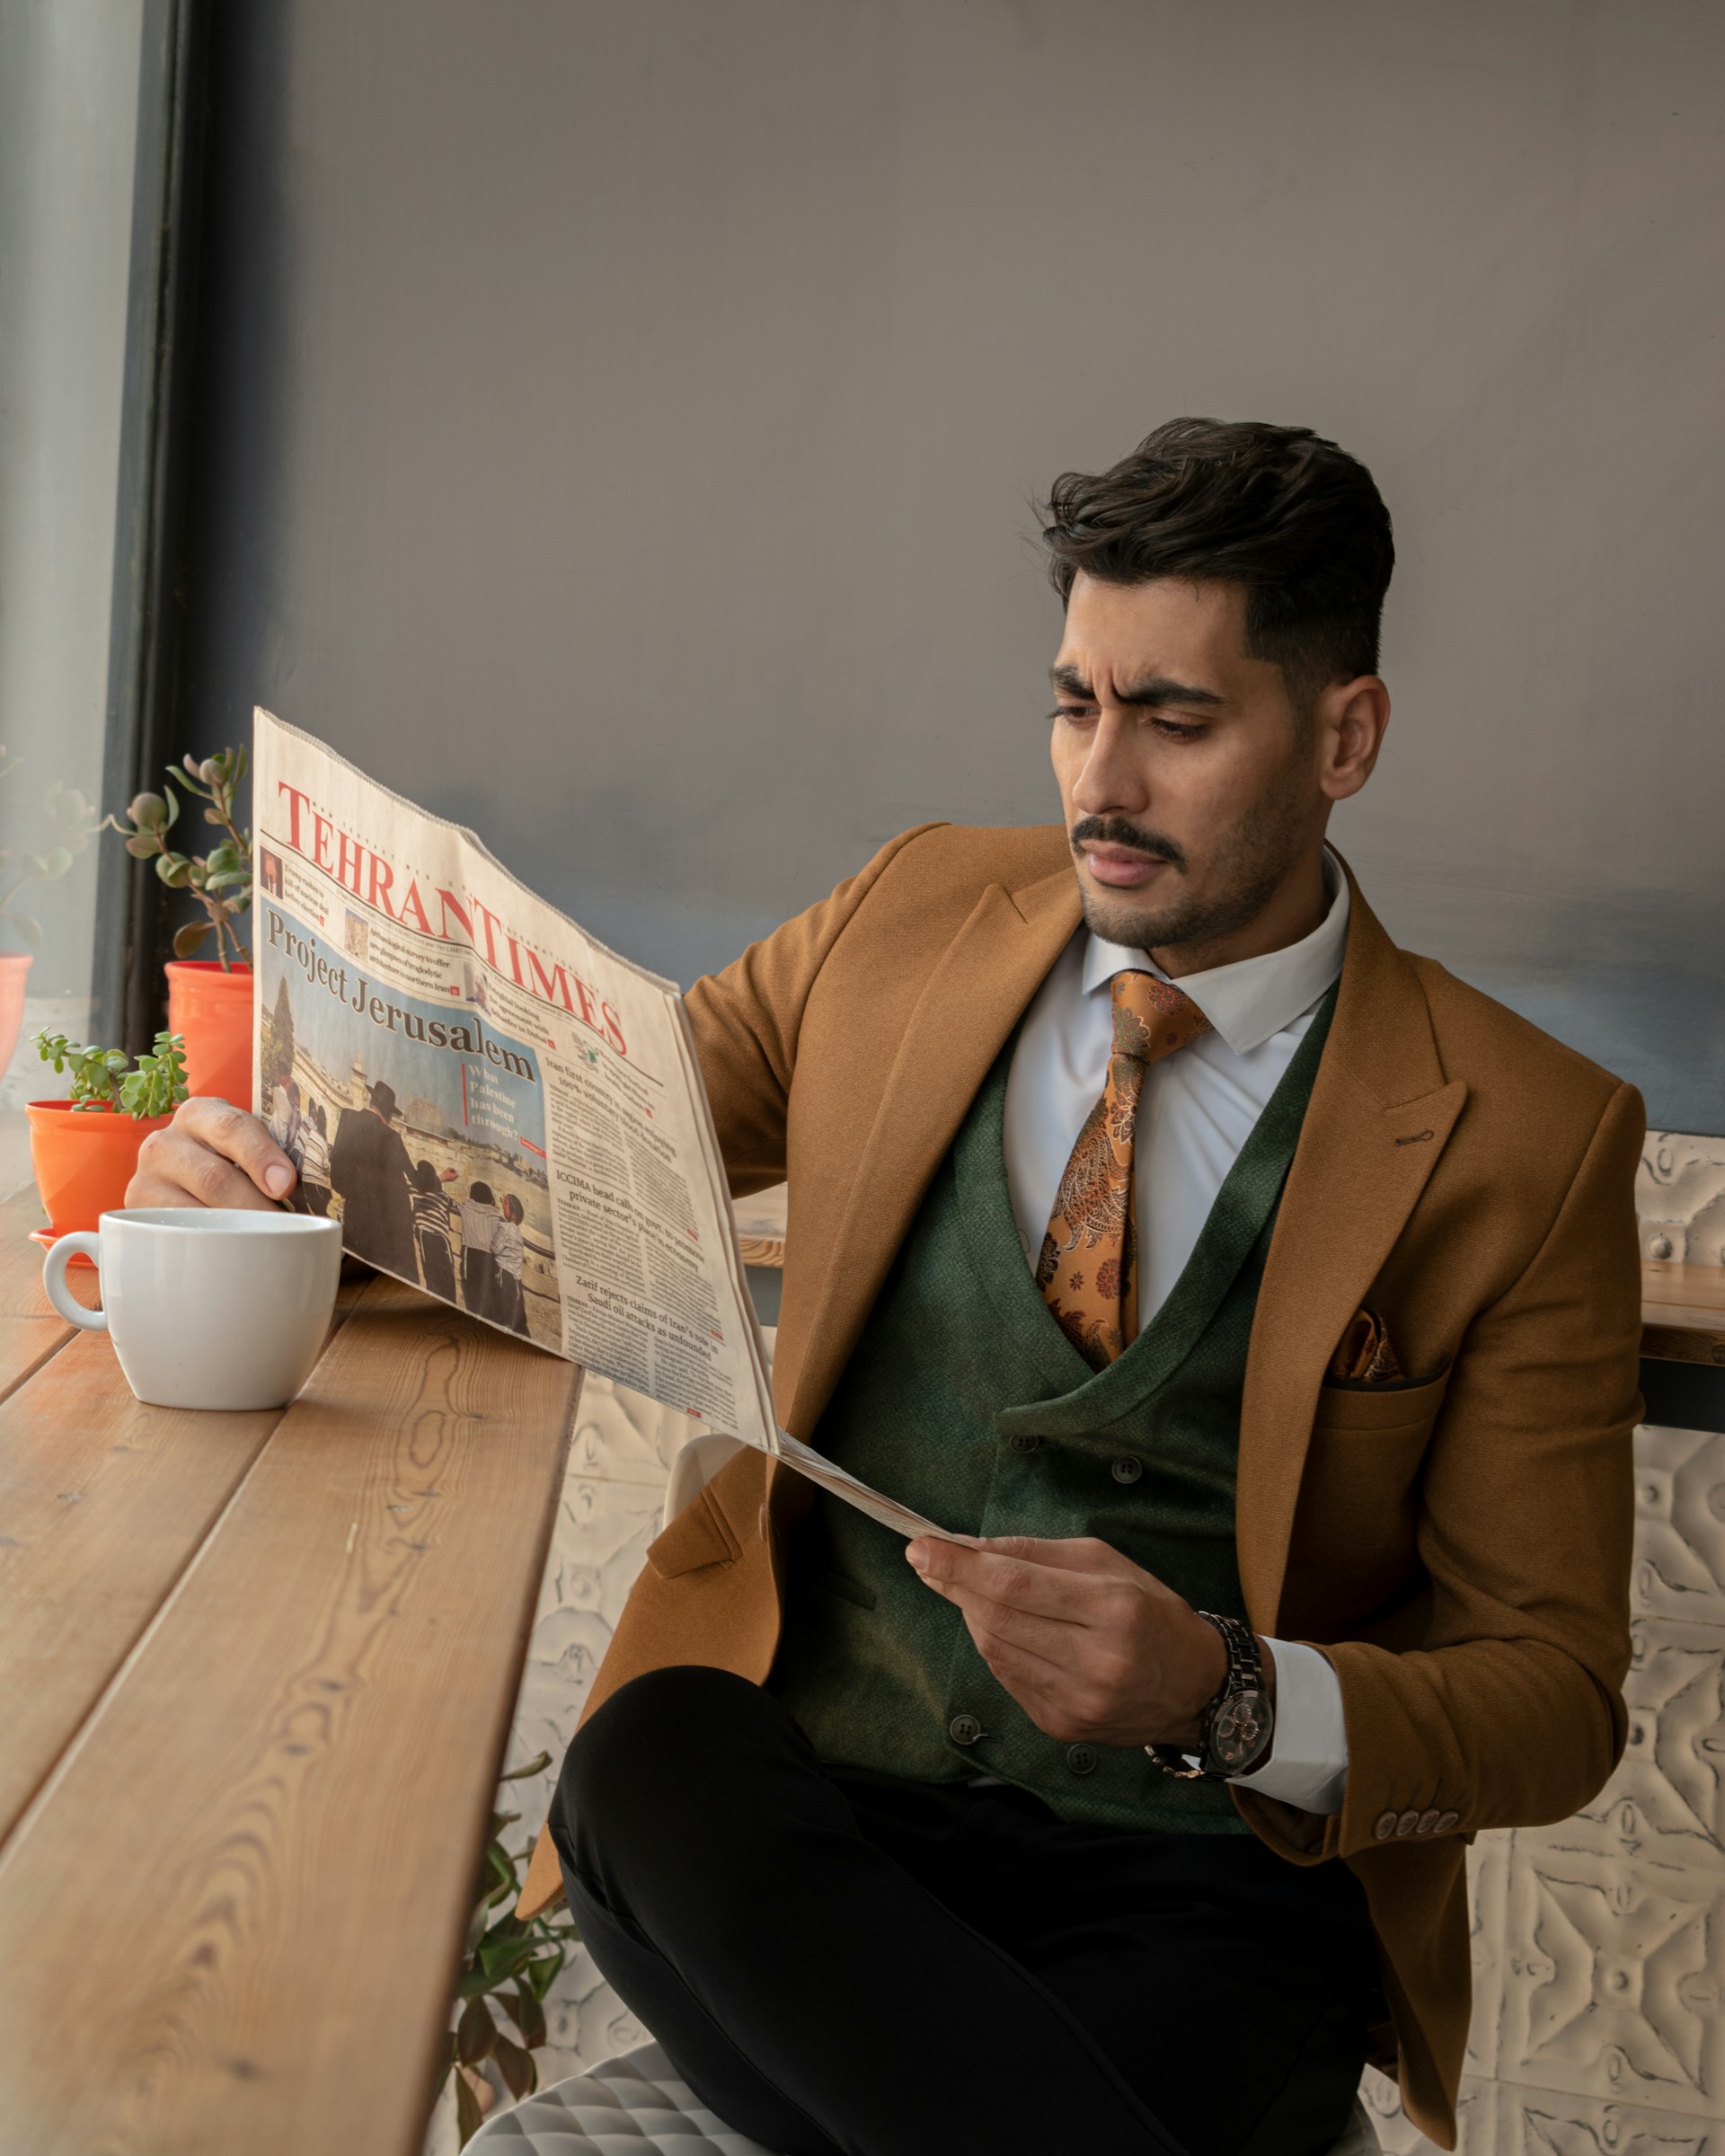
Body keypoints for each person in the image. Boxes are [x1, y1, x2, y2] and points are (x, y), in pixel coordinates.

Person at [123, 418, 1643, 2156]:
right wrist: (263, 1198)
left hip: (1199, 1891)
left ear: (1345, 735)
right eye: (1076, 703)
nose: (1101, 784)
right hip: (806, 1830)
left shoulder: (1526, 1136)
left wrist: (1223, 1688)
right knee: (645, 1756)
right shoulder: (904, 918)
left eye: (1177, 720)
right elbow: (551, 1171)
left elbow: (1554, 1699)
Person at [327, 1079, 416, 1278]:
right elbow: (413, 1176)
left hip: (354, 1217)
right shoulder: (392, 1138)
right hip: (383, 1229)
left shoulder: (348, 1118)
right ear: (389, 1114)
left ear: (371, 1101)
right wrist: (441, 1178)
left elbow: (338, 1172)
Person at [411, 1157, 457, 1299]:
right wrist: (442, 1178)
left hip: (428, 1236)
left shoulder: (417, 1190)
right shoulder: (443, 1196)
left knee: (432, 1275)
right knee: (446, 1277)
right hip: (441, 1238)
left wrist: (441, 1178)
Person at [458, 1180, 501, 1321]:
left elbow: (464, 1202)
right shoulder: (496, 1215)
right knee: (488, 1296)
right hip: (490, 1259)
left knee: (471, 1293)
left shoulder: (467, 1206)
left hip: (471, 1255)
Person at [491, 1191, 528, 1335]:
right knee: (515, 1314)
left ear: (512, 1214)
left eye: (505, 1204)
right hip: (516, 1279)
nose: (502, 1205)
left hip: (505, 1276)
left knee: (504, 1314)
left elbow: (494, 1248)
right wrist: (506, 1202)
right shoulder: (517, 1232)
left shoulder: (505, 1228)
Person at [296, 1099, 333, 1216]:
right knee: (325, 1214)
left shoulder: (311, 1133)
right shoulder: (323, 1141)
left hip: (306, 1180)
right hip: (317, 1184)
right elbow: (326, 1166)